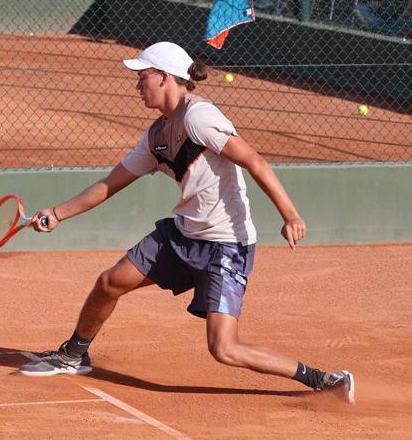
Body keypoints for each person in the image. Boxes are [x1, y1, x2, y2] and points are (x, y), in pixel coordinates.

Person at [19, 42, 355, 404]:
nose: (137, 85)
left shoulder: (199, 117)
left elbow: (254, 160)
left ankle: (324, 379)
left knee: (223, 348)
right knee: (110, 282)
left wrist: (290, 214)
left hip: (226, 244)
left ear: (164, 77)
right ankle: (74, 354)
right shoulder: (156, 136)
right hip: (182, 236)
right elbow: (109, 185)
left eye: (142, 76)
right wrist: (56, 214)